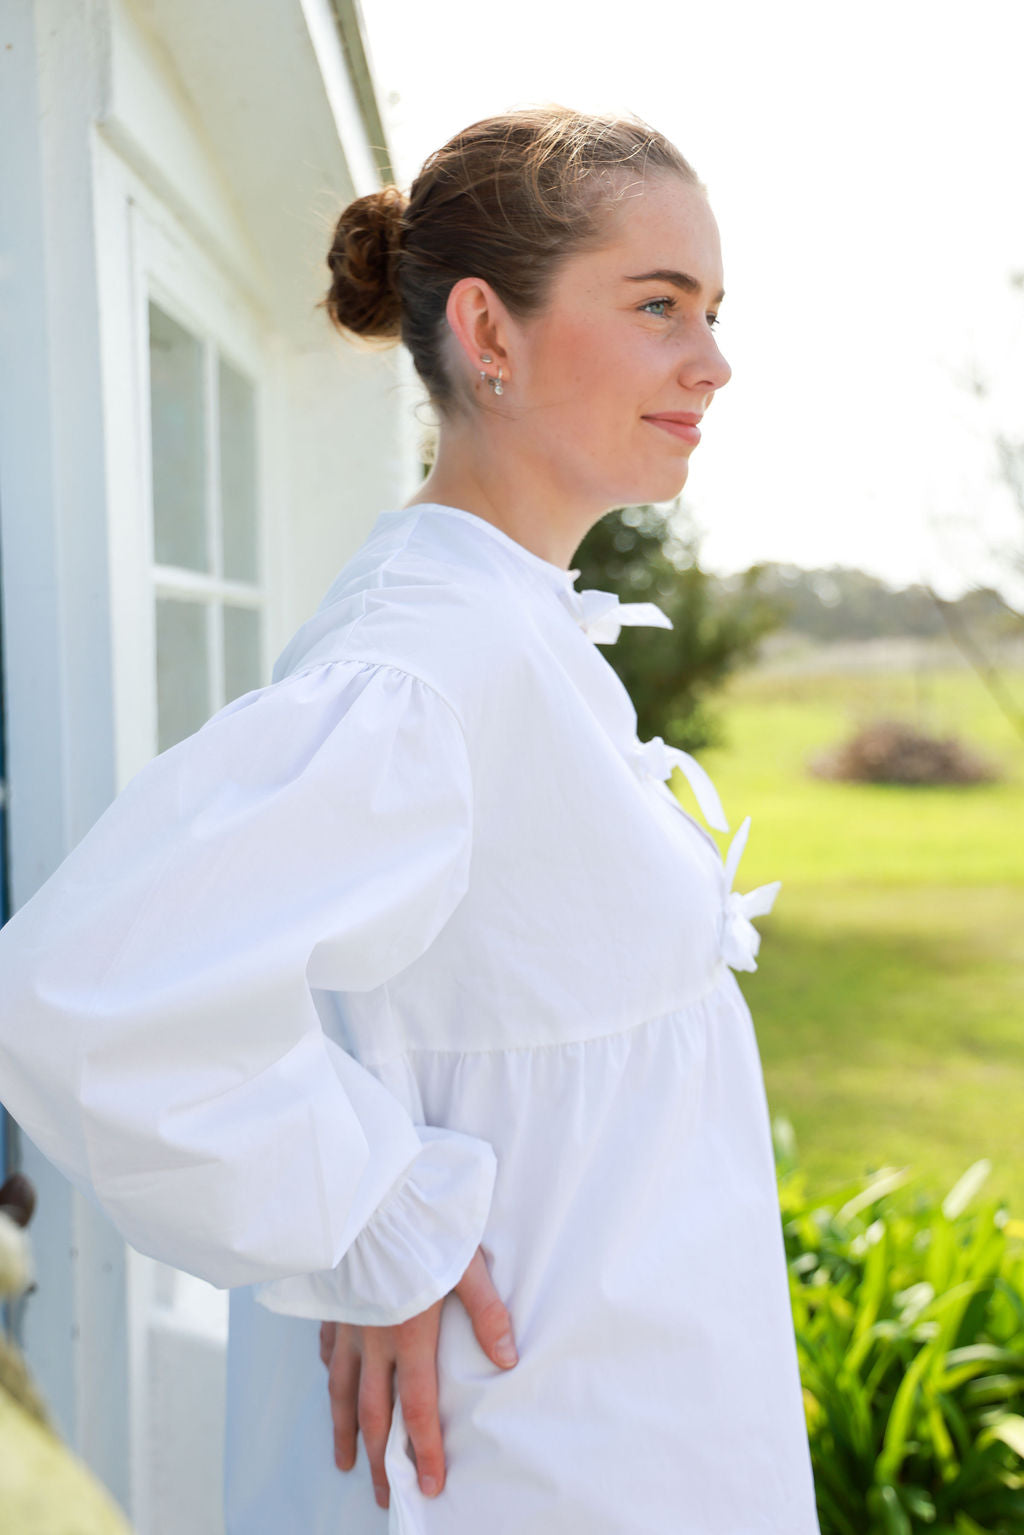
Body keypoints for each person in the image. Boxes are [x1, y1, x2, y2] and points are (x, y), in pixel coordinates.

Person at [0, 104, 821, 1534]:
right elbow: (93, 997)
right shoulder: (432, 664)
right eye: (657, 306)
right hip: (527, 1459)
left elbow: (371, 992)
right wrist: (379, 1227)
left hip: (627, 1421)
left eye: (713, 310)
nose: (715, 361)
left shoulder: (512, 629)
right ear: (488, 334)